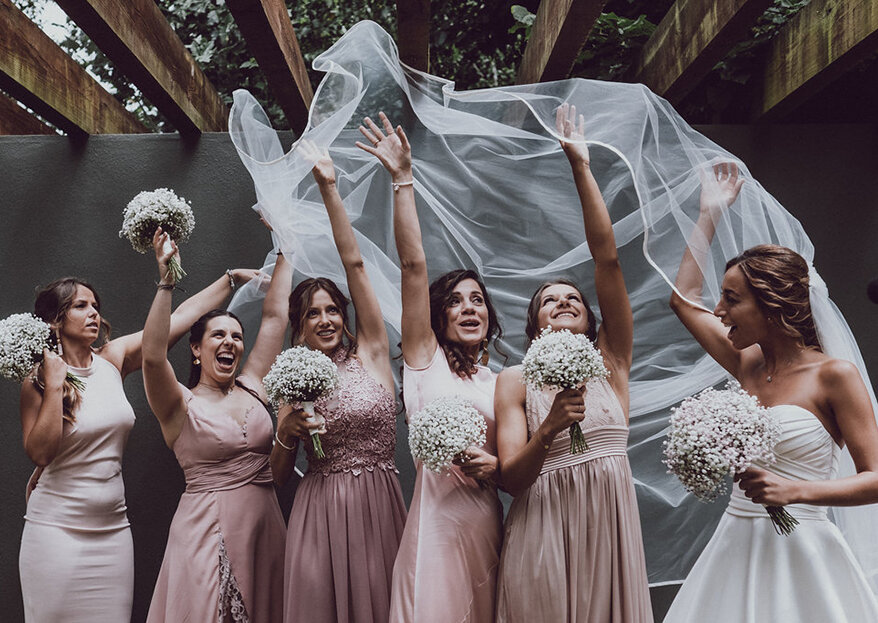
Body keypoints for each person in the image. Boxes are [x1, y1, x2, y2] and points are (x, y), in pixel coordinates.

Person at [664, 163, 878, 621]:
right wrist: (709, 214)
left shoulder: (833, 376)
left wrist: (796, 490)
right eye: (720, 297)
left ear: (773, 305)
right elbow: (683, 298)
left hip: (803, 554)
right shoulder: (747, 361)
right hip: (734, 548)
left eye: (732, 299)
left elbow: (876, 477)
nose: (718, 311)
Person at [18, 254, 257, 622]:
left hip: (113, 532)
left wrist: (231, 279)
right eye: (81, 306)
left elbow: (178, 320)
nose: (94, 313)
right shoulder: (36, 381)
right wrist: (53, 385)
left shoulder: (112, 360)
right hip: (55, 533)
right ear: (56, 320)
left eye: (95, 305)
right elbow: (41, 453)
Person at [493, 104, 653, 622]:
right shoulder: (514, 380)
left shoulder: (612, 362)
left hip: (610, 527)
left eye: (573, 299)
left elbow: (606, 260)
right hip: (544, 528)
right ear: (536, 326)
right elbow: (511, 480)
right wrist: (551, 429)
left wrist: (580, 166)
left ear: (589, 321)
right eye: (549, 300)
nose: (563, 302)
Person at [353, 112, 504, 623]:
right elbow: (414, 267)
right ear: (439, 315)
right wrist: (401, 178)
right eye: (457, 301)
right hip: (436, 523)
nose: (469, 308)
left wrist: (497, 468)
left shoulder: (499, 382)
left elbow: (514, 461)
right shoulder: (424, 359)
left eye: (478, 301)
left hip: (486, 518)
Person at [270, 140, 406, 623]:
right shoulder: (293, 381)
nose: (325, 320)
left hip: (379, 502)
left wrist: (328, 187)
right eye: (312, 314)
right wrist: (287, 433)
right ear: (299, 326)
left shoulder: (370, 352)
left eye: (332, 310)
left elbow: (356, 266)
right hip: (319, 509)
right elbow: (278, 476)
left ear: (344, 317)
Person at [142, 228, 290, 622]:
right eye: (218, 335)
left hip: (265, 534)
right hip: (205, 536)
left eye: (238, 337)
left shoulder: (253, 384)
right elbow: (153, 355)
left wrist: (287, 241)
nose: (231, 343)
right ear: (195, 348)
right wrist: (166, 281)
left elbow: (276, 316)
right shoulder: (178, 404)